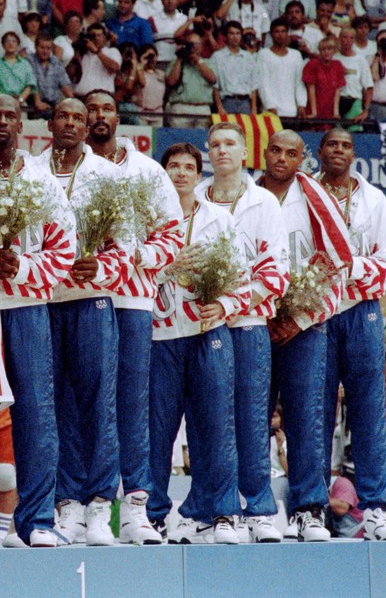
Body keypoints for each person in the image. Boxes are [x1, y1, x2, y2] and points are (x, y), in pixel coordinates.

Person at [0, 94, 74, 549]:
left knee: (37, 413)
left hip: (28, 306)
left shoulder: (42, 180)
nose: (2, 122)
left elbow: (64, 249)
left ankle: (36, 519)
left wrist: (22, 268)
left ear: (22, 126)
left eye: (10, 116)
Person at [84, 89, 181, 543]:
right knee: (89, 401)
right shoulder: (72, 169)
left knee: (133, 404)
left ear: (118, 117)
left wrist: (135, 256)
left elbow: (172, 235)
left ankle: (136, 507)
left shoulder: (148, 170)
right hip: (82, 299)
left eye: (106, 108)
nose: (99, 115)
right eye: (92, 109)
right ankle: (90, 506)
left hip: (135, 300)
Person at [149, 141, 247, 545]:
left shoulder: (219, 220)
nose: (181, 173)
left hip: (208, 333)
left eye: (189, 166)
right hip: (161, 334)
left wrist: (222, 305)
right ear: (163, 173)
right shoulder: (147, 218)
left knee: (215, 427)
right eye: (173, 166)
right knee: (157, 430)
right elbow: (128, 272)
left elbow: (242, 279)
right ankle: (152, 514)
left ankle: (218, 513)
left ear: (198, 173)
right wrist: (164, 268)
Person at [258, 129, 353, 542]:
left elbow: (340, 262)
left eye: (290, 153)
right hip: (255, 321)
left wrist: (299, 317)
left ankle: (309, 509)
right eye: (275, 150)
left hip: (305, 323)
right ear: (264, 153)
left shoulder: (315, 197)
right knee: (251, 417)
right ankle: (254, 507)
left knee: (306, 419)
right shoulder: (248, 195)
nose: (281, 158)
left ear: (302, 158)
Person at [196, 123, 289, 543]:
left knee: (252, 416)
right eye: (214, 144)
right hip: (204, 325)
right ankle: (219, 511)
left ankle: (260, 509)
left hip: (249, 325)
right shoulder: (194, 199)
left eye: (229, 143)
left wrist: (230, 301)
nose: (221, 151)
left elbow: (275, 273)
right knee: (210, 419)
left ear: (244, 150)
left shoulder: (265, 202)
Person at [44, 98, 130, 546]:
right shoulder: (31, 170)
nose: (73, 123)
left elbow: (127, 243)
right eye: (64, 115)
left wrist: (101, 268)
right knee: (55, 403)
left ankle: (100, 504)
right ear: (50, 123)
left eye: (79, 117)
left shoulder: (109, 174)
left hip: (93, 297)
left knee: (98, 401)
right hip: (44, 298)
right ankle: (67, 502)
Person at [316, 127, 386, 542]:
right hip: (314, 312)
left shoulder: (375, 199)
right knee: (313, 411)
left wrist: (349, 270)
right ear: (321, 151)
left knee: (368, 410)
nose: (339, 150)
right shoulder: (304, 195)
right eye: (332, 144)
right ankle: (312, 505)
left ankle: (375, 507)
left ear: (354, 153)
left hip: (360, 311)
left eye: (346, 145)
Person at [257, 18, 308, 118]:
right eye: (277, 31)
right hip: (271, 111)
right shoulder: (263, 54)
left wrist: (301, 103)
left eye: (283, 31)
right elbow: (262, 83)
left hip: (292, 111)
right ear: (271, 34)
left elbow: (299, 82)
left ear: (287, 33)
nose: (280, 35)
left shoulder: (296, 55)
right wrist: (269, 105)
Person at [165, 30, 216, 128]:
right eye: (190, 44)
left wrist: (197, 61)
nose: (194, 47)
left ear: (201, 46)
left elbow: (212, 79)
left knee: (200, 140)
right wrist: (180, 58)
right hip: (181, 107)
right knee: (179, 140)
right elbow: (171, 82)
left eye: (196, 44)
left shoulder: (209, 63)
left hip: (202, 108)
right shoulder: (176, 63)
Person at [28, 33, 73, 117]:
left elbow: (64, 85)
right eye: (42, 48)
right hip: (33, 106)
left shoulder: (56, 62)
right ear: (35, 47)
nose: (45, 51)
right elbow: (31, 83)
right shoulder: (29, 61)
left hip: (53, 106)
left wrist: (74, 102)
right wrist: (38, 102)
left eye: (48, 48)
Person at [303, 36, 346, 121]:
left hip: (329, 108)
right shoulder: (313, 64)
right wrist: (314, 112)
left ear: (334, 50)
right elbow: (311, 88)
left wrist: (336, 112)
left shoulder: (337, 65)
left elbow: (337, 90)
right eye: (323, 49)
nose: (326, 52)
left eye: (329, 49)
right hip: (315, 105)